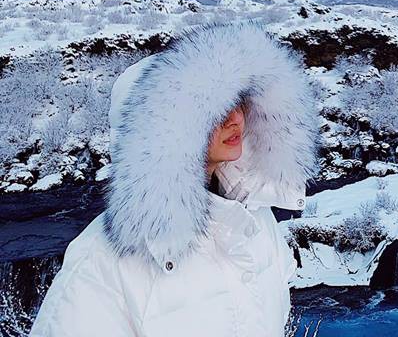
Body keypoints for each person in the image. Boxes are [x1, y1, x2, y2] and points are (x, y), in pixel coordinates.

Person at [29, 21, 319, 337]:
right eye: (213, 108)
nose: (235, 118)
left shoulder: (254, 219)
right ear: (167, 131)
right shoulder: (99, 264)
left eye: (236, 101)